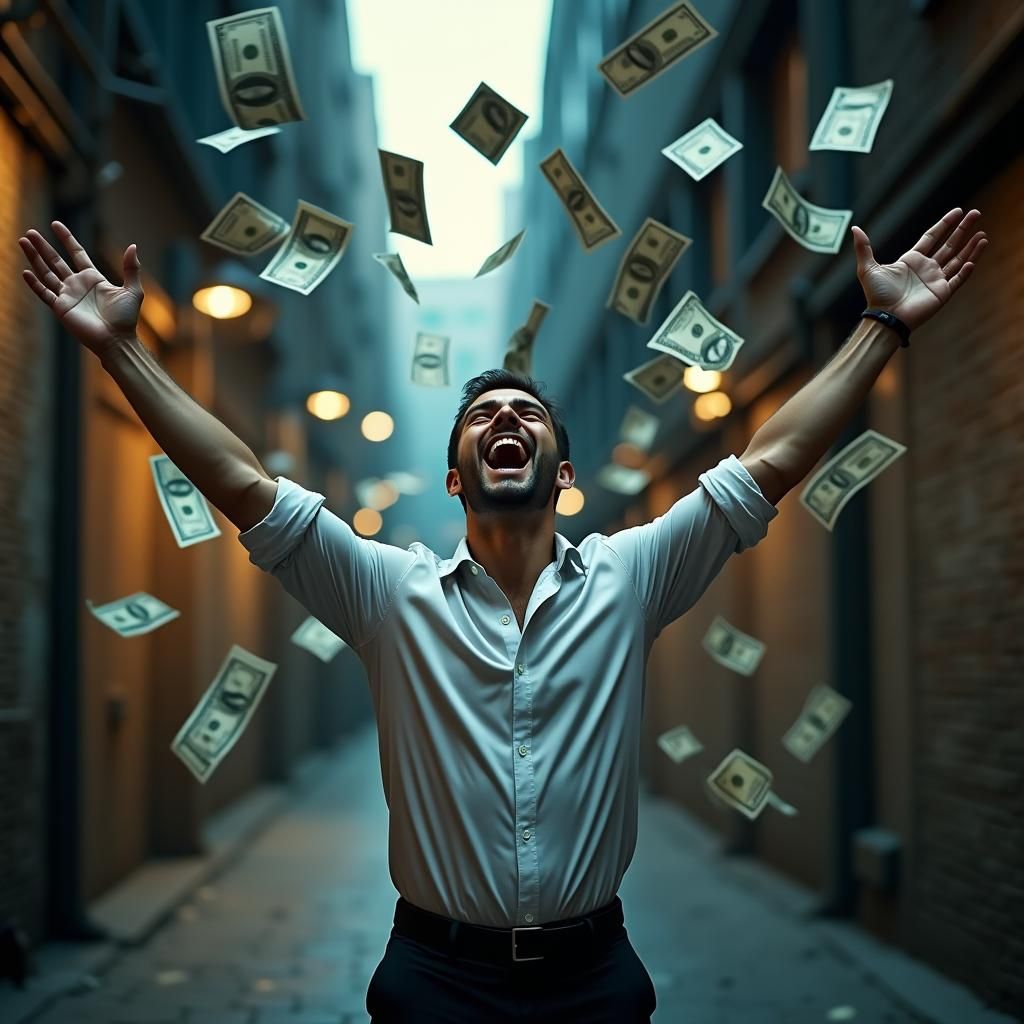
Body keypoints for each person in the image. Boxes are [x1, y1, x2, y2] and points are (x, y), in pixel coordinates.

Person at [18, 207, 986, 1023]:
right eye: (483, 418)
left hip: (595, 979)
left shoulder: (630, 575)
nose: (506, 420)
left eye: (526, 414)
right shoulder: (386, 591)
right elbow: (240, 481)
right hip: (434, 981)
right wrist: (120, 349)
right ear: (456, 478)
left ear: (563, 474)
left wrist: (881, 325)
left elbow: (769, 461)